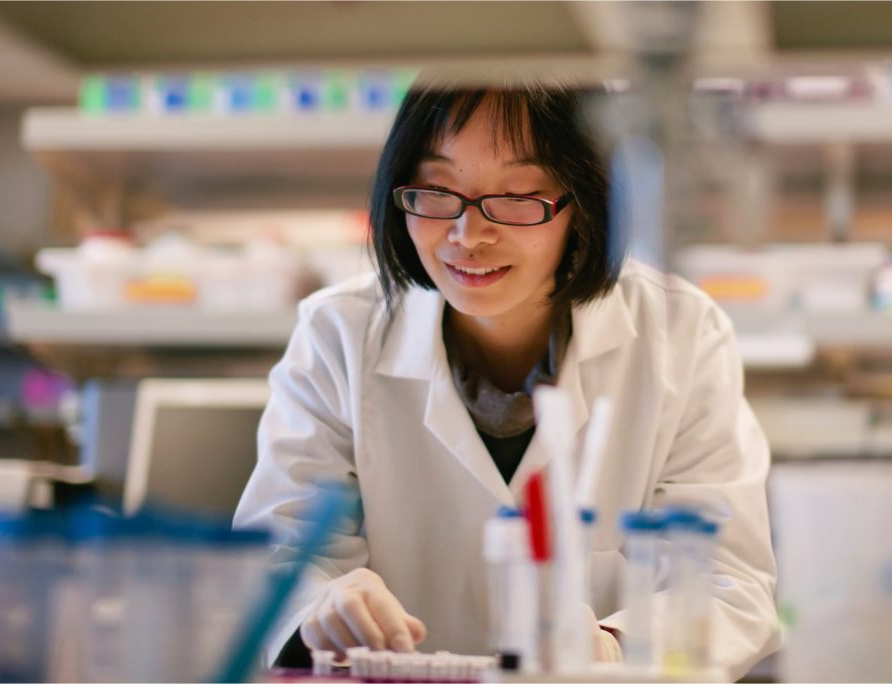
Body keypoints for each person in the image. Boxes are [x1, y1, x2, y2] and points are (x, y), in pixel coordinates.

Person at [233, 76, 780, 679]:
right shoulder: (339, 333)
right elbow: (274, 554)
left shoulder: (680, 331)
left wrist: (611, 646)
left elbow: (731, 584)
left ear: (586, 201)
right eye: (438, 190)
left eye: (518, 196)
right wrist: (317, 604)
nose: (469, 235)